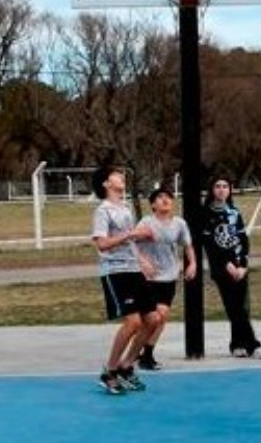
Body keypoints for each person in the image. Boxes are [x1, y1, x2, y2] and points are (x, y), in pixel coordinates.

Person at [90, 165, 161, 394]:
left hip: (133, 269)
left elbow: (129, 242)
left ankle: (126, 366)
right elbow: (102, 244)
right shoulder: (103, 210)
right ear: (106, 183)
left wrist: (143, 261)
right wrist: (131, 234)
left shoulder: (126, 208)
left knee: (153, 319)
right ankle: (108, 371)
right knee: (133, 322)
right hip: (115, 272)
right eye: (115, 175)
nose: (121, 177)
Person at [200, 174, 261, 359]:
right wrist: (226, 264)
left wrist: (243, 265)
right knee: (234, 308)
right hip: (222, 269)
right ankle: (253, 345)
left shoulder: (234, 212)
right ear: (212, 189)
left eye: (225, 186)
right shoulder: (205, 213)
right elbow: (210, 245)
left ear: (230, 190)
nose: (221, 189)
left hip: (240, 268)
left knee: (239, 308)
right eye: (218, 186)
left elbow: (243, 240)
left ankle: (237, 344)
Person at [135, 184, 197, 370]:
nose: (165, 200)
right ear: (153, 205)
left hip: (168, 277)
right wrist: (143, 262)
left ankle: (147, 355)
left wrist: (192, 263)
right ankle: (135, 351)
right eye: (160, 198)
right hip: (148, 278)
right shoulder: (146, 222)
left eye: (168, 197)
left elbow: (187, 245)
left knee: (162, 317)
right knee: (148, 319)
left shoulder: (179, 224)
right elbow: (131, 244)